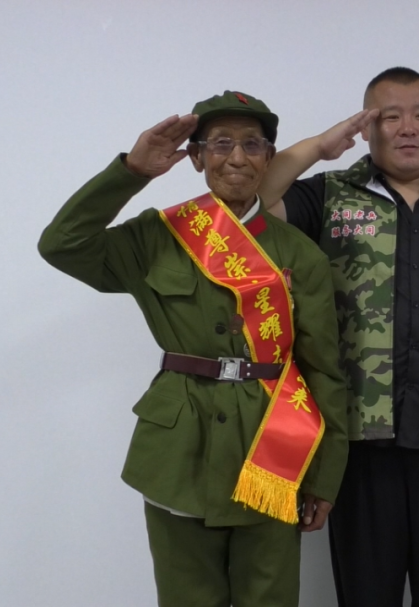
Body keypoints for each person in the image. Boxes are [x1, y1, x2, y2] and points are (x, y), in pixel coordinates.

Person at [37, 91, 348, 607]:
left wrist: (325, 476)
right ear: (198, 157)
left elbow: (323, 371)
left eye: (252, 144)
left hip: (272, 451)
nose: (237, 157)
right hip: (180, 453)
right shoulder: (158, 237)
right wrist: (131, 172)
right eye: (221, 143)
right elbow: (61, 245)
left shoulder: (301, 255)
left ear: (269, 157)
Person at [257, 67, 419, 607]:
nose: (408, 127)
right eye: (390, 116)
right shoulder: (329, 196)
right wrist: (319, 147)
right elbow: (257, 198)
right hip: (359, 443)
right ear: (368, 128)